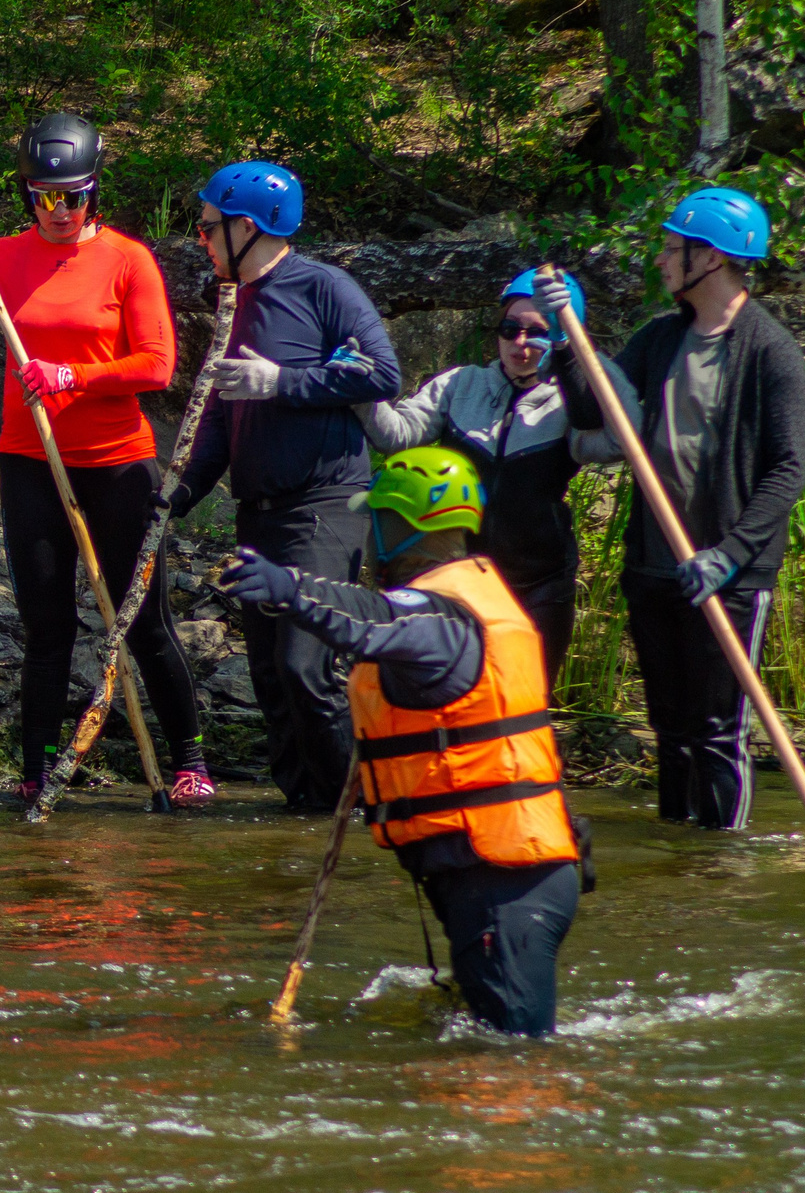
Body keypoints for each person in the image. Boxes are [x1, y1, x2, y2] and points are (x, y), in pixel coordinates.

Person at [216, 449, 588, 1038]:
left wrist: (289, 588)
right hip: (498, 872)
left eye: (377, 520)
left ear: (399, 527)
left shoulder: (439, 615)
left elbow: (370, 617)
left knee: (514, 1069)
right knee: (487, 1040)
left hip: (503, 884)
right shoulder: (477, 600)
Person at [0, 114, 211, 803]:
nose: (59, 211)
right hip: (31, 461)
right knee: (48, 626)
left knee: (141, 619)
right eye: (45, 197)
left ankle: (190, 761)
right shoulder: (1, 255)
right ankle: (41, 767)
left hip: (118, 461)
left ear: (95, 191)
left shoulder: (127, 259)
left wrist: (72, 377)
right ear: (27, 196)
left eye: (74, 196)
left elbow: (158, 364)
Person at [549, 188, 805, 831]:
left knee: (718, 731)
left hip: (731, 575)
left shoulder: (771, 352)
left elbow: (787, 471)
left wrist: (730, 553)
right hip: (655, 568)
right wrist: (565, 345)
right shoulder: (657, 340)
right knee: (670, 728)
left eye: (673, 249)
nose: (662, 261)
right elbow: (594, 416)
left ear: (712, 260)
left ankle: (721, 868)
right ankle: (676, 863)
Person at [168, 160, 402, 812]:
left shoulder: (324, 288)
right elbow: (219, 413)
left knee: (306, 665)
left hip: (323, 507)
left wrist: (283, 382)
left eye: (209, 226)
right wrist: (178, 497)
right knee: (272, 676)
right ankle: (302, 813)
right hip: (260, 512)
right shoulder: (231, 300)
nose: (201, 238)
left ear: (247, 227)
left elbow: (384, 374)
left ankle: (352, 815)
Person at [355, 269, 637, 691]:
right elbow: (395, 435)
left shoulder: (570, 404)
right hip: (455, 578)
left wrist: (576, 347)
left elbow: (623, 439)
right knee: (452, 702)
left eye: (537, 333)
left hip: (538, 585)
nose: (519, 343)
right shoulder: (460, 384)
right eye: (510, 329)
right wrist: (362, 387)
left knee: (523, 704)